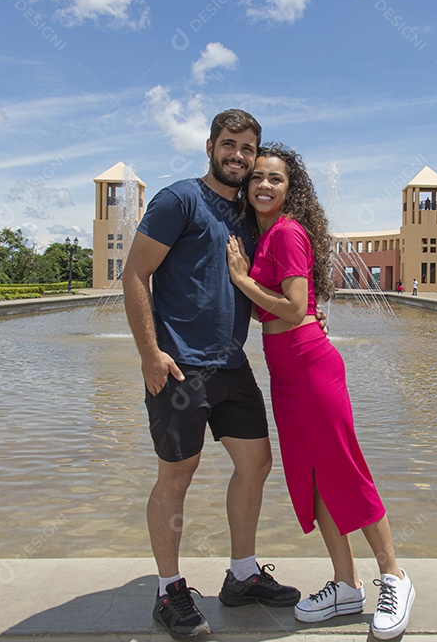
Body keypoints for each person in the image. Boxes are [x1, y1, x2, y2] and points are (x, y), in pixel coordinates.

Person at [225, 143, 416, 640]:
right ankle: (345, 584)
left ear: (291, 190)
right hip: (287, 374)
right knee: (314, 480)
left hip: (310, 367)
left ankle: (393, 576)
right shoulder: (261, 237)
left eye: (276, 179)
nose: (265, 185)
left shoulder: (287, 232)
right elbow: (283, 307)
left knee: (344, 469)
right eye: (258, 178)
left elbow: (289, 309)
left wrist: (242, 281)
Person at [123, 110, 301, 641]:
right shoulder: (179, 200)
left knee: (257, 463)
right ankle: (169, 590)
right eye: (230, 145)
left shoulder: (249, 212)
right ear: (209, 146)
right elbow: (135, 274)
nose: (239, 156)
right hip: (179, 365)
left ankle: (241, 574)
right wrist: (150, 353)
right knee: (177, 474)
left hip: (230, 364)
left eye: (248, 148)